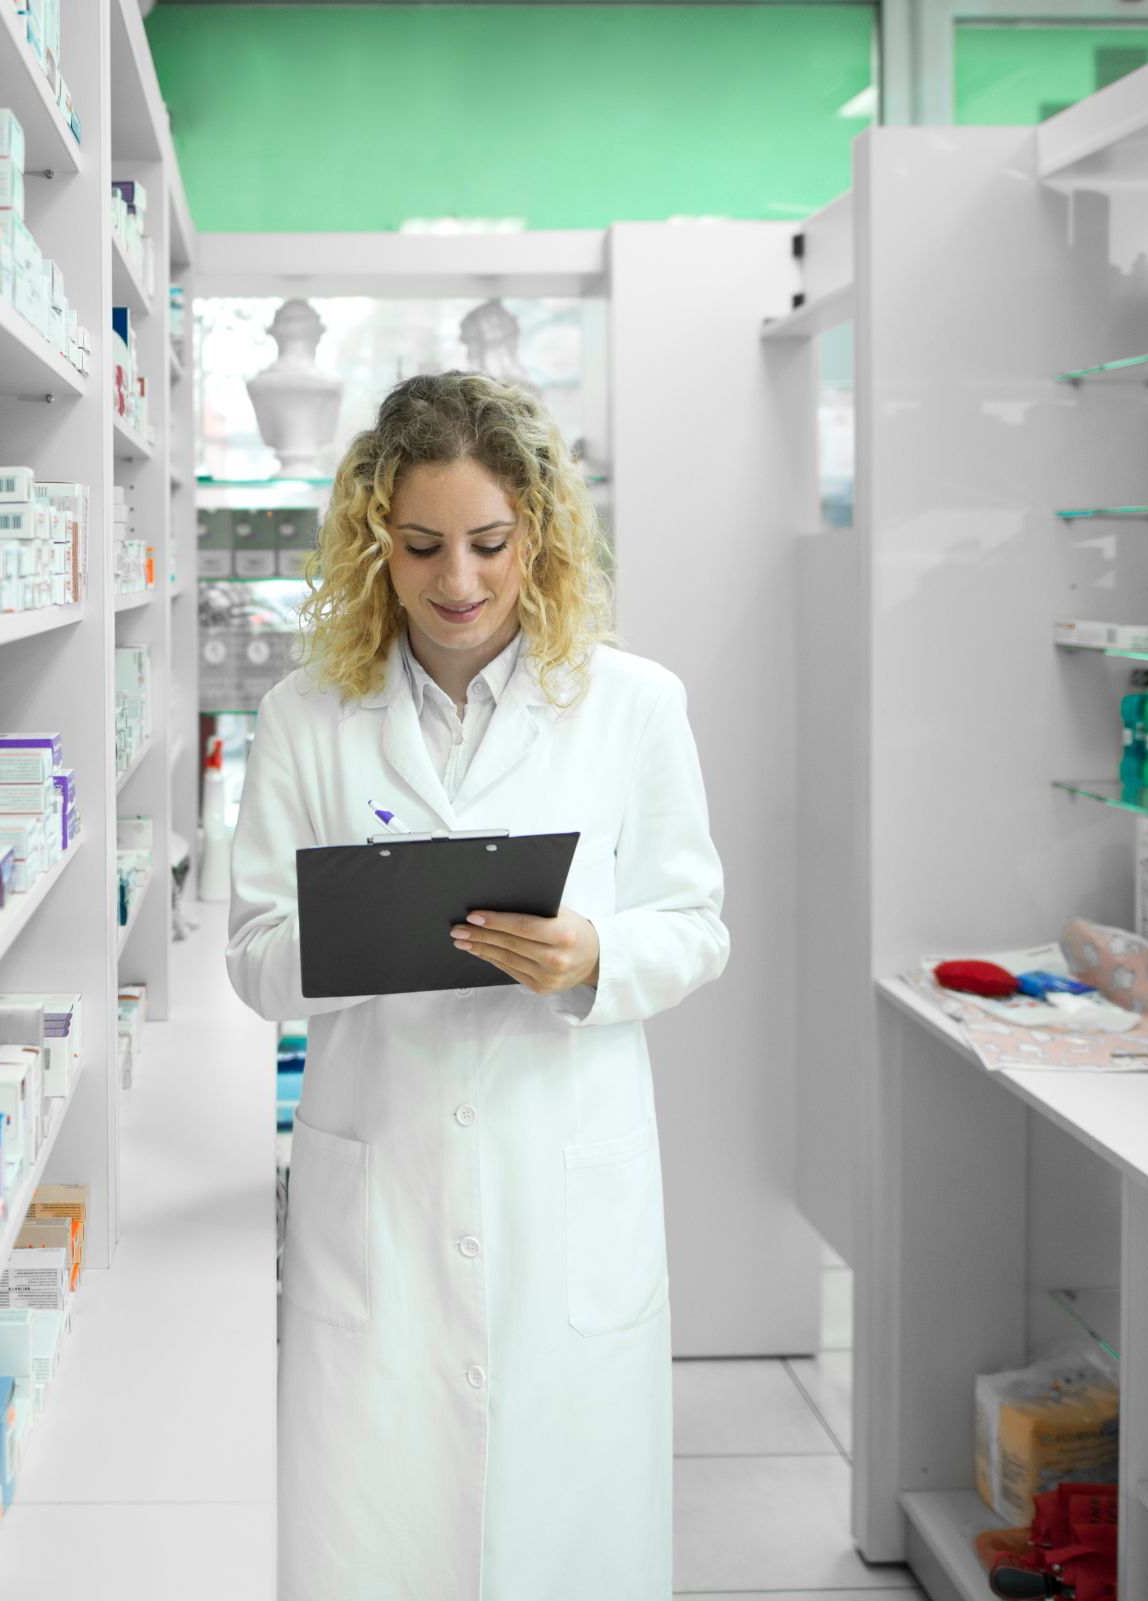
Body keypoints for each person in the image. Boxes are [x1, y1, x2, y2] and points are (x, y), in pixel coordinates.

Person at [227, 371, 728, 1600]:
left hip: (564, 1181)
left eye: (490, 543)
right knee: (373, 1533)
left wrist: (595, 954)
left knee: (572, 1535)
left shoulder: (633, 704)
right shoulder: (307, 716)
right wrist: (355, 939)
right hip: (383, 1182)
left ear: (538, 536)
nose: (458, 580)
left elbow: (697, 923)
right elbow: (252, 952)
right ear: (372, 543)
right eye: (422, 545)